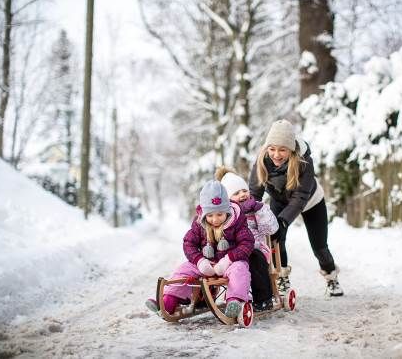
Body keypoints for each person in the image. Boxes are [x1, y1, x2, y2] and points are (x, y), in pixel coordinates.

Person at [249, 119, 344, 297]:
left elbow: (300, 197)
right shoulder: (262, 160)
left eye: (282, 149)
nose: (276, 154)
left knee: (319, 246)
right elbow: (254, 193)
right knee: (276, 239)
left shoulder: (303, 162)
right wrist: (248, 216)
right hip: (280, 200)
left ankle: (331, 276)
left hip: (311, 202)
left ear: (291, 149)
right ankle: (282, 277)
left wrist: (283, 221)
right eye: (272, 149)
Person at [145, 180, 254, 318]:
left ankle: (234, 301)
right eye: (210, 215)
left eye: (220, 214)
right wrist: (199, 261)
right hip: (206, 264)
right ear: (204, 214)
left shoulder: (237, 222)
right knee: (183, 269)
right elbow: (188, 243)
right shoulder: (199, 224)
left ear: (227, 211)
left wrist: (229, 259)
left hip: (230, 263)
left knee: (240, 270)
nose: (215, 220)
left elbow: (247, 243)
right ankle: (169, 300)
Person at [217, 166, 278, 312]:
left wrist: (259, 211)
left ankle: (263, 299)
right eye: (236, 193)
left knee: (254, 258)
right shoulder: (226, 215)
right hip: (235, 253)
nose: (242, 194)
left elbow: (271, 229)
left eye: (244, 190)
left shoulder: (258, 208)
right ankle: (232, 297)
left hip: (256, 249)